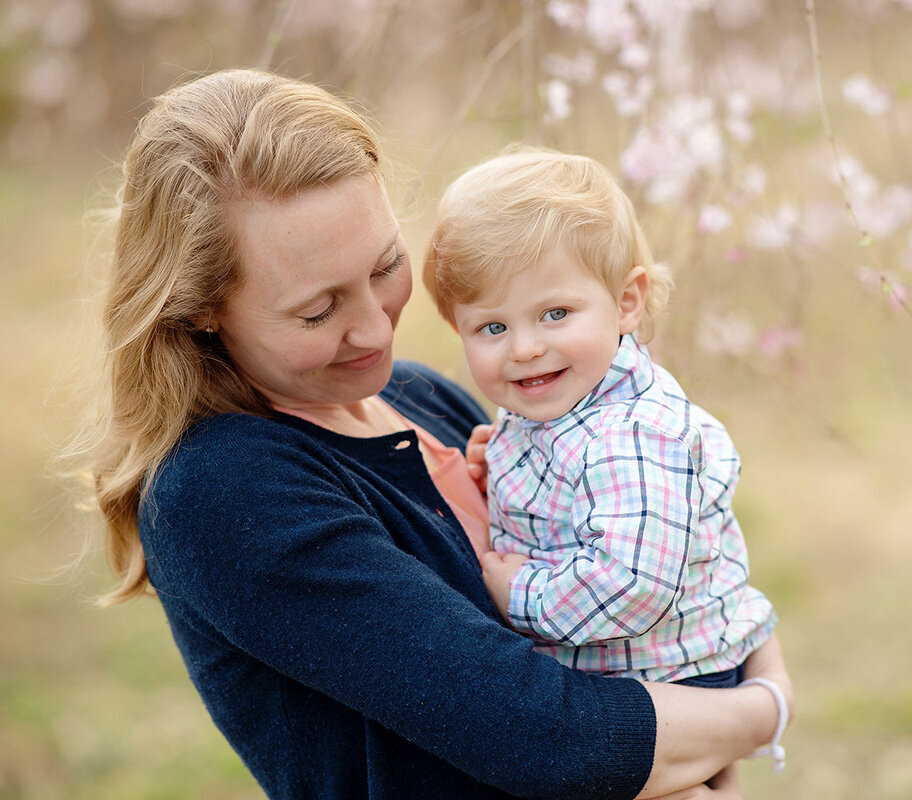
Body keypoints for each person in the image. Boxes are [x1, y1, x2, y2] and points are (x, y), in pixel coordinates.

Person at [70, 68, 791, 800]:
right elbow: (555, 739)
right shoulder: (224, 491)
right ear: (200, 309)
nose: (378, 328)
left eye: (385, 266)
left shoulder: (424, 396)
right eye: (319, 311)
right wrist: (763, 706)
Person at [422, 149, 784, 793]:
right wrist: (498, 465)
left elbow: (633, 582)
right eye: (492, 326)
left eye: (555, 314)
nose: (526, 346)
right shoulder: (559, 399)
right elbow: (568, 500)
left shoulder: (630, 433)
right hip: (629, 667)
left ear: (626, 303)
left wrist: (520, 594)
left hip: (667, 674)